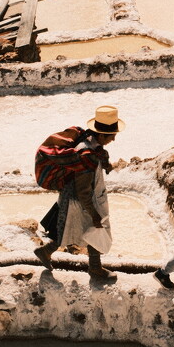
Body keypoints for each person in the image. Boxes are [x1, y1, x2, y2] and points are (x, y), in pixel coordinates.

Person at [34, 105, 124, 284]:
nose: (114, 139)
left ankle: (46, 252)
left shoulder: (91, 144)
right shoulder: (86, 154)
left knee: (73, 230)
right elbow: (83, 190)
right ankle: (95, 268)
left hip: (77, 198)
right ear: (102, 134)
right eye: (112, 135)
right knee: (93, 229)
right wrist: (94, 212)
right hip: (78, 201)